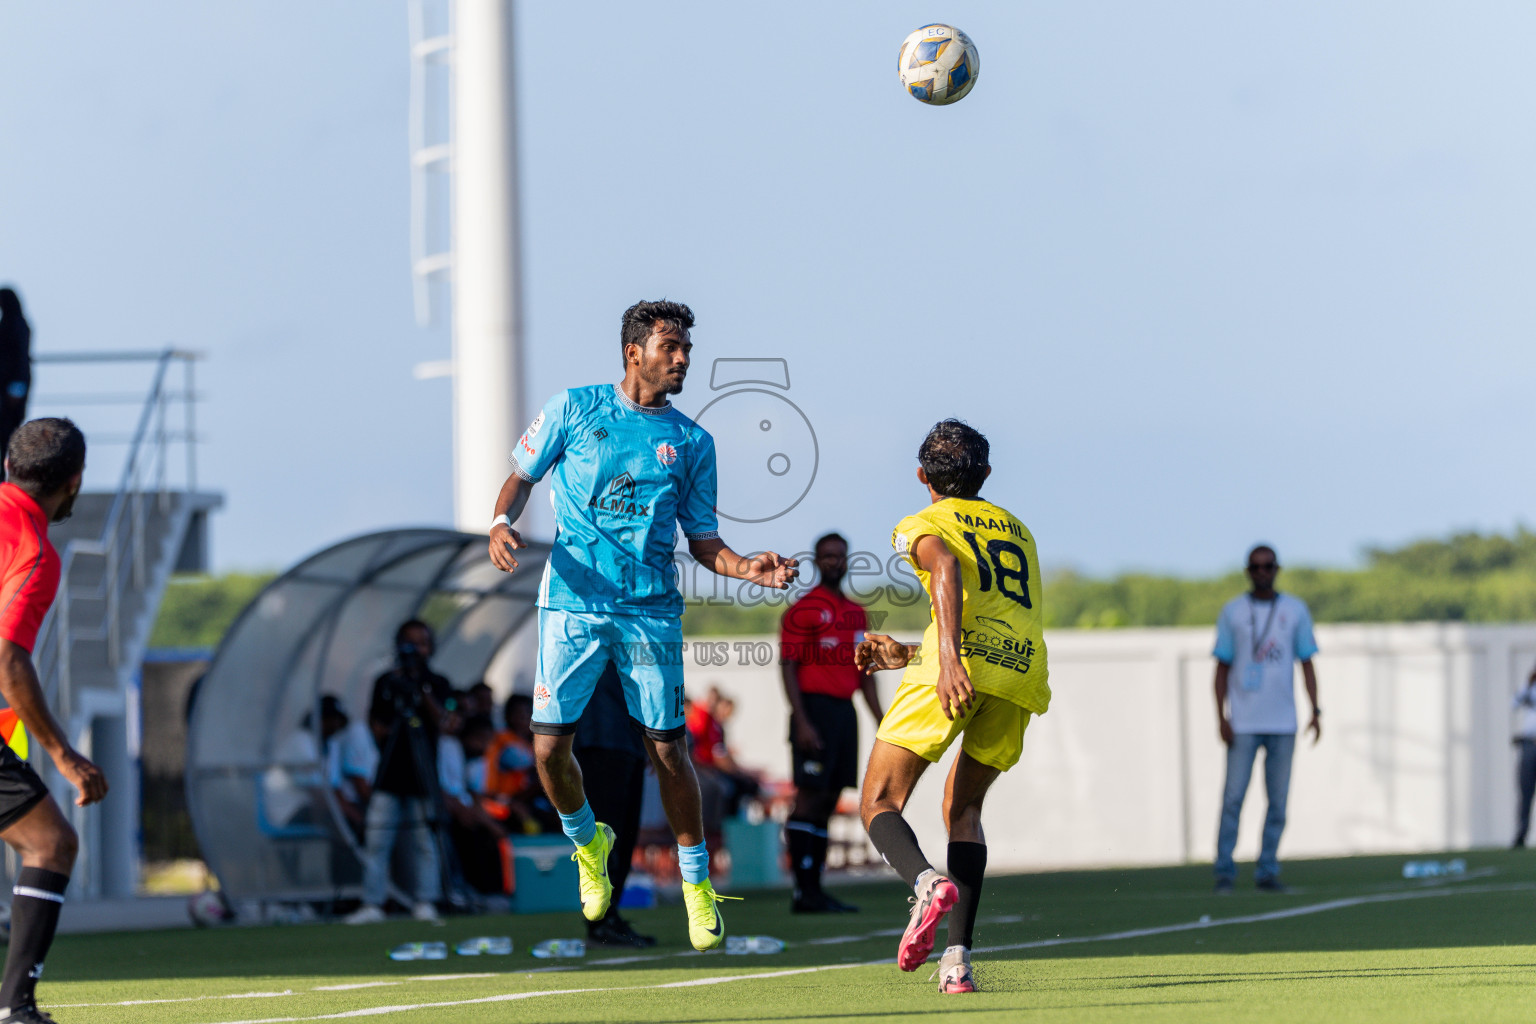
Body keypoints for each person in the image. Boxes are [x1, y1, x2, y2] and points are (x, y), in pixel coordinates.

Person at [487, 299, 798, 951]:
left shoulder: (691, 442)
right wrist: (500, 523)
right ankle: (588, 845)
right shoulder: (573, 409)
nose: (683, 358)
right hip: (572, 604)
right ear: (635, 352)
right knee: (548, 750)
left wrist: (749, 569)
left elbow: (705, 540)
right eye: (670, 347)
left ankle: (695, 886)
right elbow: (519, 478)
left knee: (667, 751)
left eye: (687, 348)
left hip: (649, 612)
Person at [855, 419, 1049, 995]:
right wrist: (912, 653)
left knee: (878, 801)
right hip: (1018, 673)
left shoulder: (923, 522)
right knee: (962, 811)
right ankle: (957, 963)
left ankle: (924, 884)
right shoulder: (1019, 530)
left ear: (922, 476)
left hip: (957, 667)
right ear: (986, 474)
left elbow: (946, 567)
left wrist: (944, 661)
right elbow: (991, 621)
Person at [0, 418, 109, 1023]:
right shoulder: (33, 552)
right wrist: (66, 755)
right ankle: (16, 1009)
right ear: (75, 482)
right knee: (51, 842)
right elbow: (7, 659)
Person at [780, 531, 883, 913]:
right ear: (816, 561)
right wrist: (802, 721)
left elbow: (865, 675)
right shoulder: (803, 609)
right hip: (813, 710)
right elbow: (788, 667)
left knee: (829, 798)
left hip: (843, 713)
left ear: (847, 560)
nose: (833, 561)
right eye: (826, 556)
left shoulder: (857, 613)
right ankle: (802, 890)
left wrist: (883, 722)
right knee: (807, 798)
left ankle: (816, 889)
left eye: (839, 556)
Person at [1211, 544, 1321, 894]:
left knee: (1278, 802)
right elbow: (1221, 667)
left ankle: (1267, 870)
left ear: (1276, 569)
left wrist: (1316, 711)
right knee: (1233, 799)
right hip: (1243, 721)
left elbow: (1307, 663)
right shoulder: (1233, 611)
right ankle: (1225, 872)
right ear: (1248, 571)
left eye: (1268, 566)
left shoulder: (1294, 609)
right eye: (1255, 567)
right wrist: (1222, 717)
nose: (1262, 572)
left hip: (1283, 721)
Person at [345, 620, 452, 924]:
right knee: (378, 839)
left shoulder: (438, 681)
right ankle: (372, 903)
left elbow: (444, 721)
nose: (415, 649)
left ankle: (425, 901)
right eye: (409, 642)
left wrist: (421, 689)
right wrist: (399, 700)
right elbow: (377, 726)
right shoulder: (386, 682)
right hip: (390, 772)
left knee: (424, 840)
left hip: (422, 774)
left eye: (422, 643)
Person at [573, 662, 656, 948]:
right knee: (607, 835)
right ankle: (600, 921)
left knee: (624, 834)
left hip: (625, 737)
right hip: (601, 737)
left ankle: (609, 915)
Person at [0, 292, 31, 476]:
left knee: (8, 438)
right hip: (6, 391)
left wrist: (16, 389)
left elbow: (20, 359)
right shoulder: (9, 323)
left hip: (11, 393)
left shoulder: (16, 325)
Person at [1512, 668, 1536, 848]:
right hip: (1528, 744)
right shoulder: (1529, 688)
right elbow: (1513, 704)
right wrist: (1528, 686)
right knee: (1525, 792)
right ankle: (1521, 834)